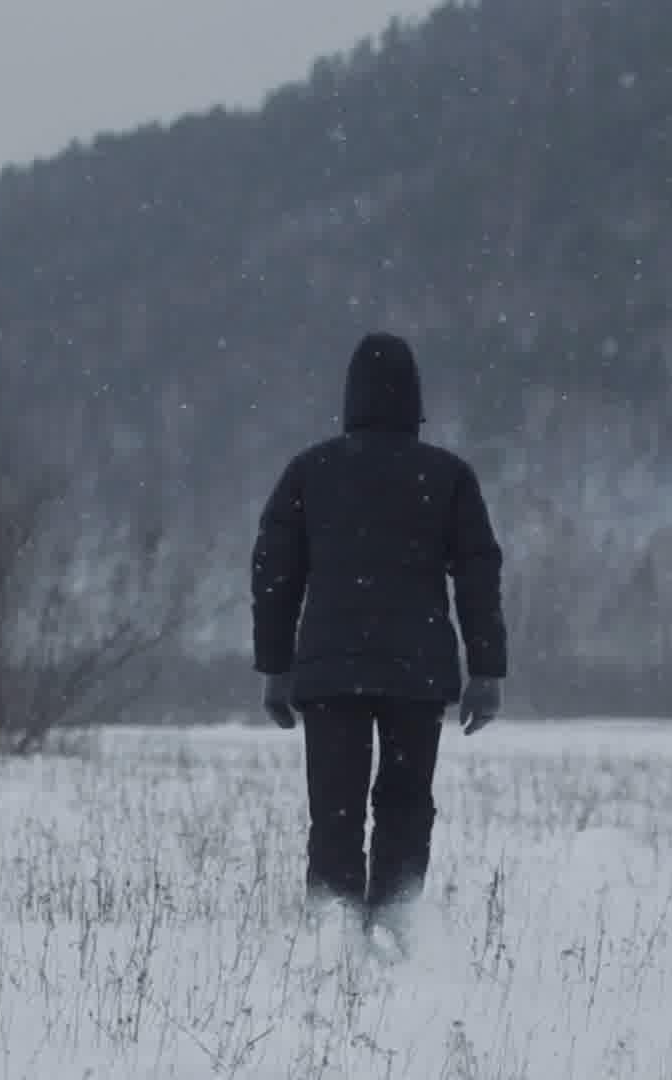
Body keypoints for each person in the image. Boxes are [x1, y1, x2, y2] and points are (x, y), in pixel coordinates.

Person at [249, 331, 507, 947]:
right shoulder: (447, 476)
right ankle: (398, 920)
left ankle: (334, 929)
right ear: (415, 400)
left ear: (350, 399)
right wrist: (487, 671)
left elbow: (273, 572)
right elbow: (478, 573)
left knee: (334, 807)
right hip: (416, 671)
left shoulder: (311, 472)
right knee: (405, 801)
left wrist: (275, 666)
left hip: (330, 673)